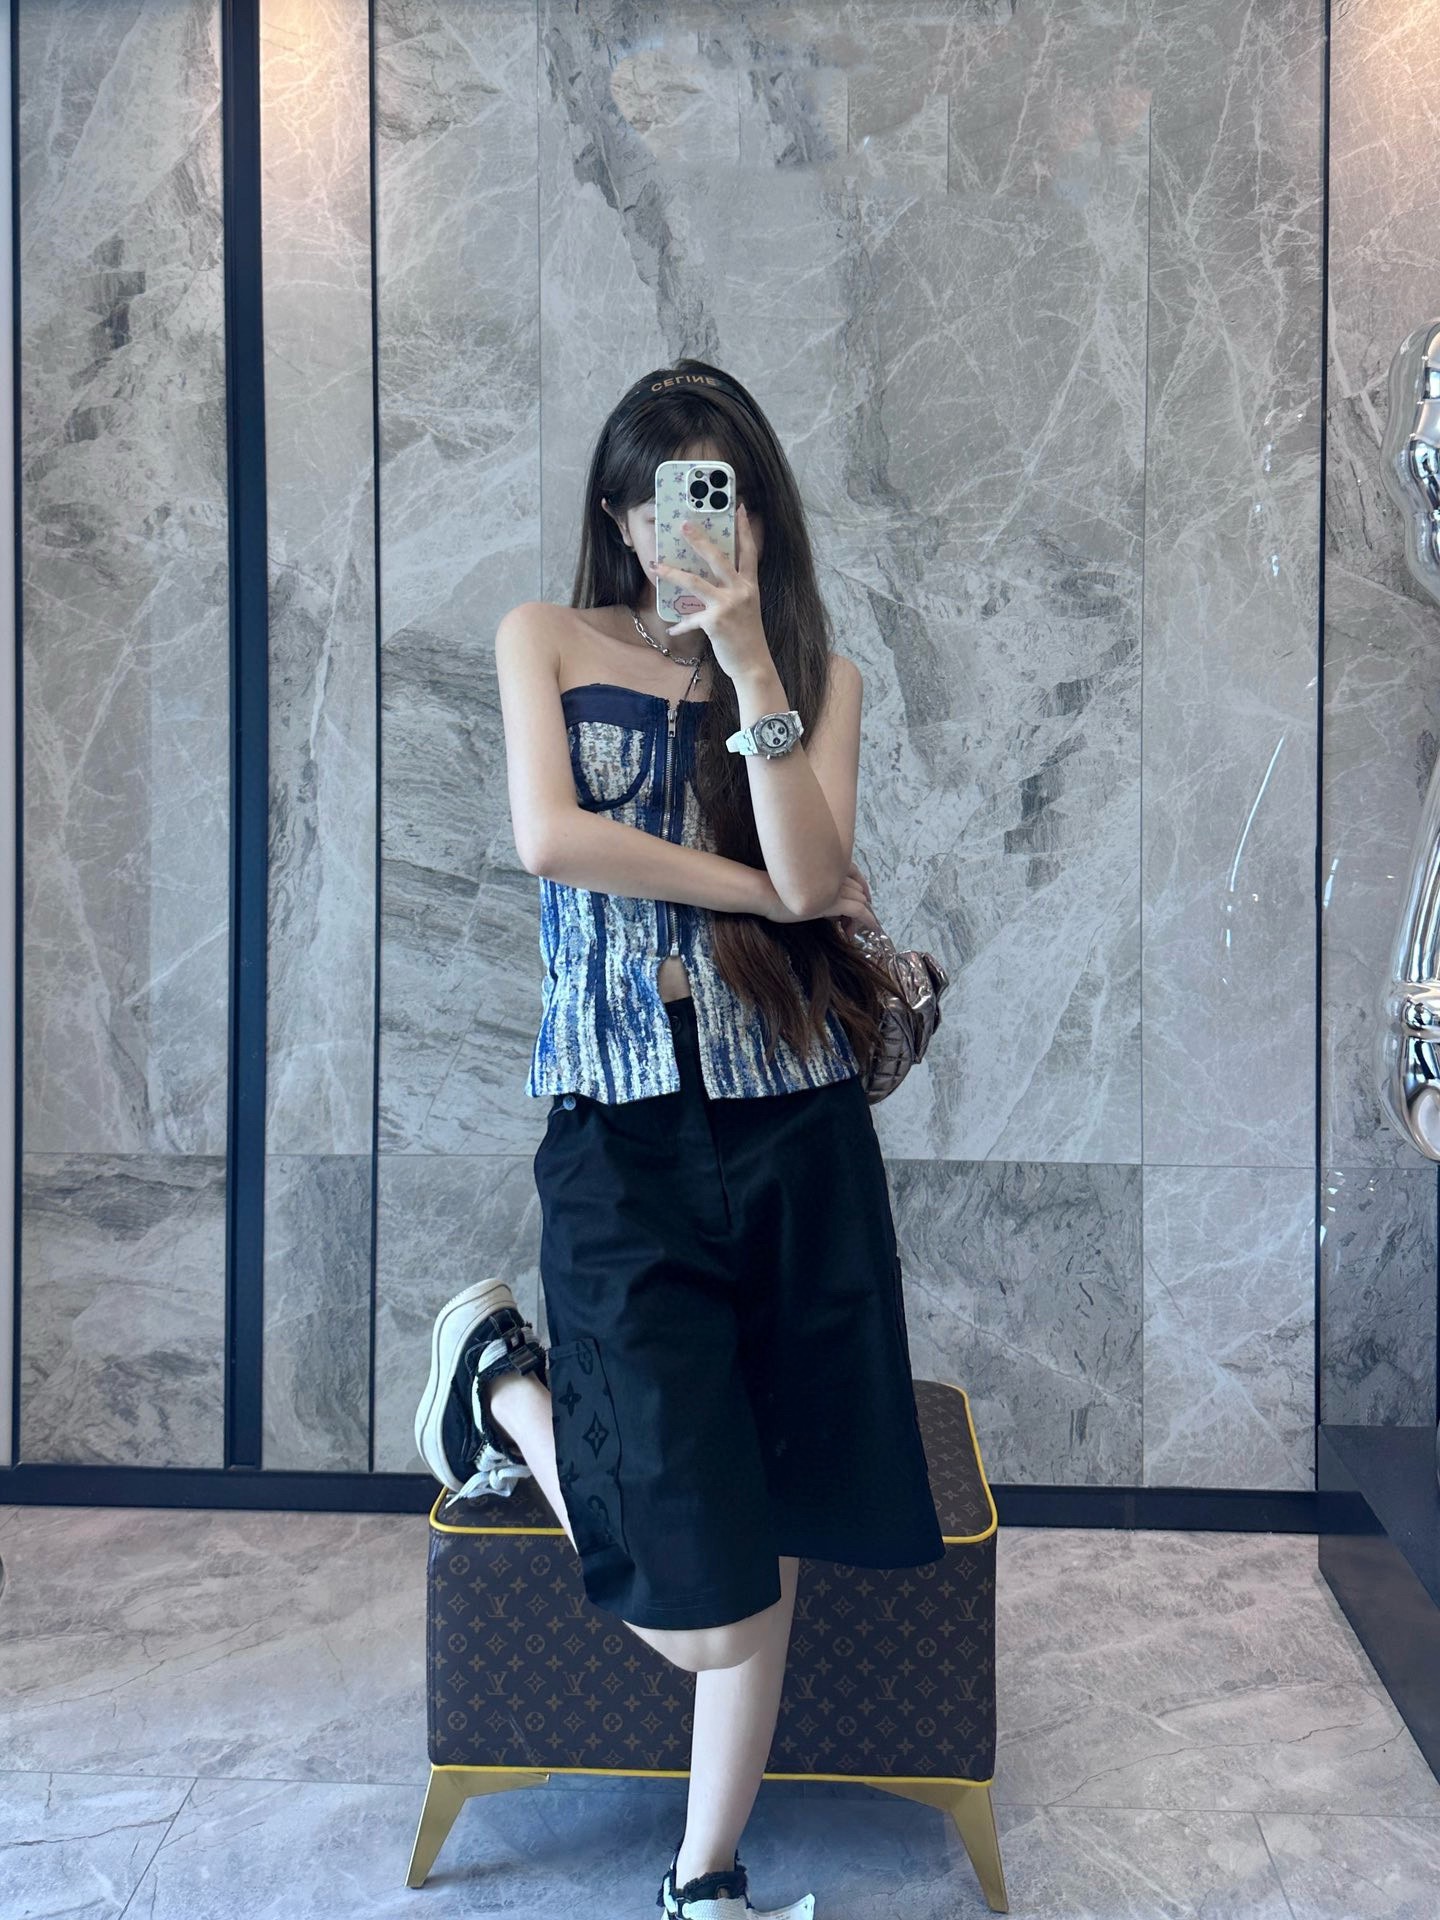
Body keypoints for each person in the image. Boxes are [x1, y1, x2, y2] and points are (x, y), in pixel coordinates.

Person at [414, 359, 944, 1920]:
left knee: (781, 1505)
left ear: (762, 515)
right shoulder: (544, 636)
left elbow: (820, 867)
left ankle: (705, 1877)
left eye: (725, 499)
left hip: (794, 1124)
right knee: (703, 1607)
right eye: (668, 505)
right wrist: (762, 893)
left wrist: (749, 658)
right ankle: (506, 1392)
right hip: (619, 1123)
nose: (694, 531)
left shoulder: (818, 680)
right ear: (620, 516)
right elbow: (553, 839)